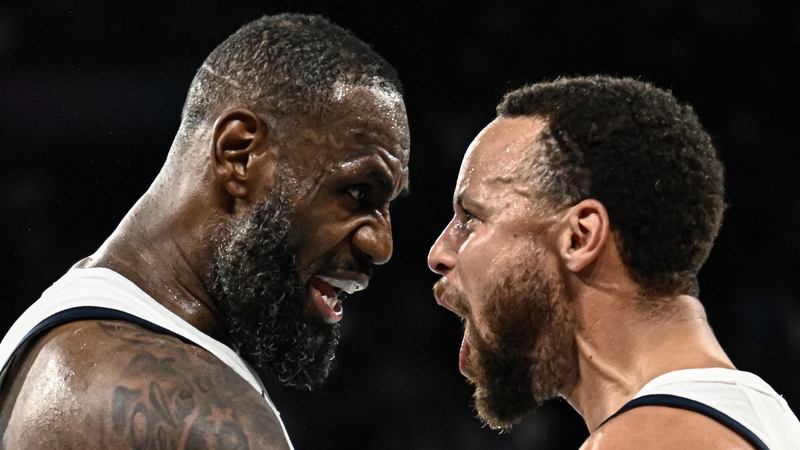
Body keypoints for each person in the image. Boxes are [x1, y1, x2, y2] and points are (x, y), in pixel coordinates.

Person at [0, 13, 409, 449]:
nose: (381, 245)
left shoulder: (56, 337)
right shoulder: (204, 422)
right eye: (359, 192)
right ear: (238, 155)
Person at [428, 75, 800, 449]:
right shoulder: (769, 420)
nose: (439, 253)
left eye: (470, 218)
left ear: (580, 237)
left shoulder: (643, 441)